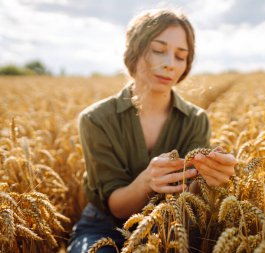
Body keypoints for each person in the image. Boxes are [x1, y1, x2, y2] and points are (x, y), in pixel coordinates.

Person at [67, 8, 237, 253]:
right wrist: (146, 181)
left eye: (181, 56)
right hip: (103, 225)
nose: (169, 64)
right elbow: (117, 208)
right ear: (134, 51)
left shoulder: (196, 119)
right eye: (158, 50)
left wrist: (213, 179)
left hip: (171, 223)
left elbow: (187, 196)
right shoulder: (95, 119)